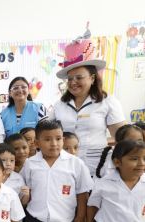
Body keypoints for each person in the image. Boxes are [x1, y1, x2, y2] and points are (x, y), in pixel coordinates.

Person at [50, 29, 127, 174]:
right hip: (64, 166)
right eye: (70, 79)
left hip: (97, 166)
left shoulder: (108, 102)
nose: (73, 82)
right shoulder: (60, 105)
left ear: (92, 78)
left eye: (79, 78)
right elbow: (48, 134)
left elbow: (123, 138)